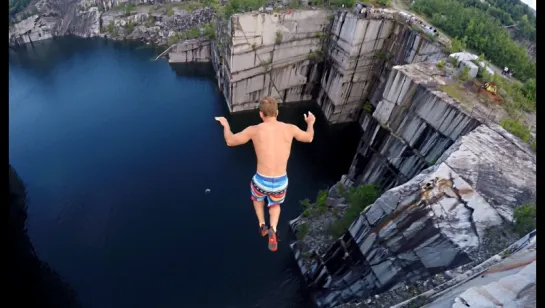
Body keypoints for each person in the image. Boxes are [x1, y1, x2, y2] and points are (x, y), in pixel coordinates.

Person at [214, 97, 316, 252]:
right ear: (277, 113)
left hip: (261, 181)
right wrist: (310, 123)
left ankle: (262, 224)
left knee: (257, 199)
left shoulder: (254, 130)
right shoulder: (290, 128)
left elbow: (230, 141)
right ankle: (273, 229)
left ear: (261, 114)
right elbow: (309, 138)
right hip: (281, 181)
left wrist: (225, 124)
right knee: (275, 205)